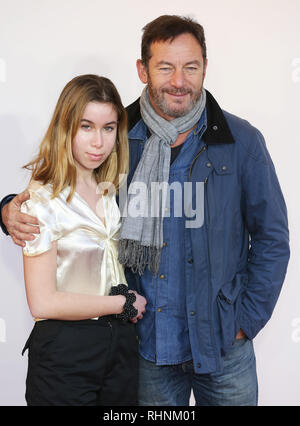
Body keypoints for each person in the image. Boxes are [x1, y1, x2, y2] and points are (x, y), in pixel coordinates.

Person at [0, 15, 290, 406]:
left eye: (191, 66)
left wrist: (245, 322)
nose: (179, 81)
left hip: (223, 349)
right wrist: (7, 210)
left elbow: (272, 238)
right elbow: (62, 186)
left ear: (206, 67)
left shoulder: (241, 142)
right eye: (165, 67)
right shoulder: (119, 136)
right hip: (147, 348)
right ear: (142, 69)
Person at [2, 74, 146, 406]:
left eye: (108, 128)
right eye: (86, 127)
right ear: (65, 127)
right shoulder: (42, 199)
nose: (99, 142)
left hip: (121, 350)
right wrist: (123, 303)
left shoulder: (110, 192)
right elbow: (43, 303)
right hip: (65, 355)